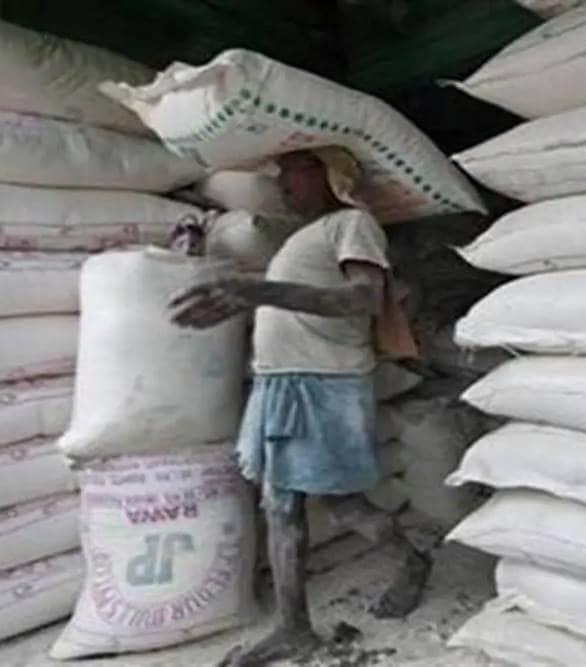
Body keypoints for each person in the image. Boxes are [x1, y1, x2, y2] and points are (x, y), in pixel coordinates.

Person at [169, 148, 431, 666]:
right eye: (281, 174)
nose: (283, 183)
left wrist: (259, 290)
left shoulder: (352, 224)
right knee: (281, 504)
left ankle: (414, 561)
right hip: (282, 383)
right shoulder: (302, 236)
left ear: (330, 175)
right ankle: (294, 628)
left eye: (294, 171)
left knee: (342, 504)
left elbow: (362, 300)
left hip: (324, 383)